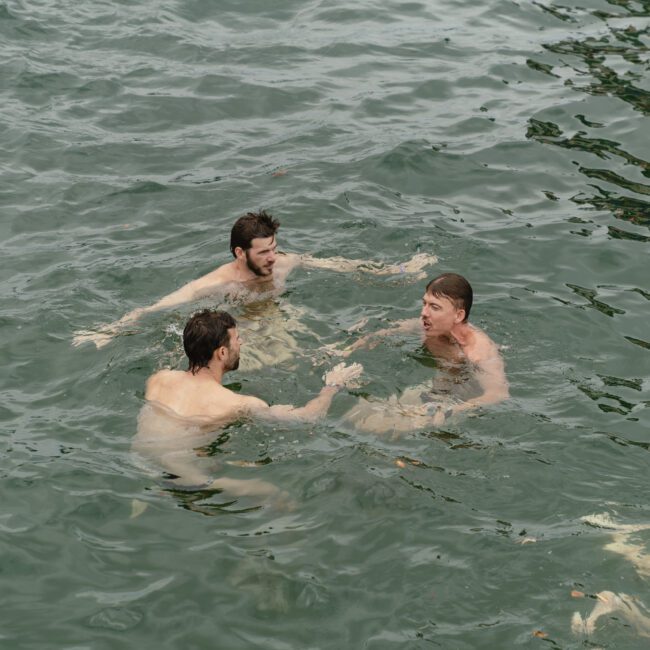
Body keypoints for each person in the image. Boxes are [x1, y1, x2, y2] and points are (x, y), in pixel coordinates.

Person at [73, 210, 437, 348]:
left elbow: (340, 265)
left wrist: (401, 270)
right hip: (245, 331)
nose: (273, 257)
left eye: (274, 248)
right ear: (239, 253)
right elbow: (161, 305)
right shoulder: (217, 282)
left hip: (279, 317)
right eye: (263, 252)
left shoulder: (281, 264)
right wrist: (109, 331)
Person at [134, 309, 362, 497]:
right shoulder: (237, 404)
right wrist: (332, 387)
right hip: (191, 482)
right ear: (222, 353)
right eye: (236, 339)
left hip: (141, 466)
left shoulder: (158, 379)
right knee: (276, 495)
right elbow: (306, 418)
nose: (241, 343)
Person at [334, 273, 509, 433]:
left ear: (458, 315)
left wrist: (454, 410)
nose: (424, 313)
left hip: (461, 400)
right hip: (434, 388)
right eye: (424, 303)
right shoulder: (429, 326)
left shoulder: (479, 352)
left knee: (377, 428)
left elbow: (498, 394)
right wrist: (349, 348)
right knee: (355, 416)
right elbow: (390, 330)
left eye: (434, 307)